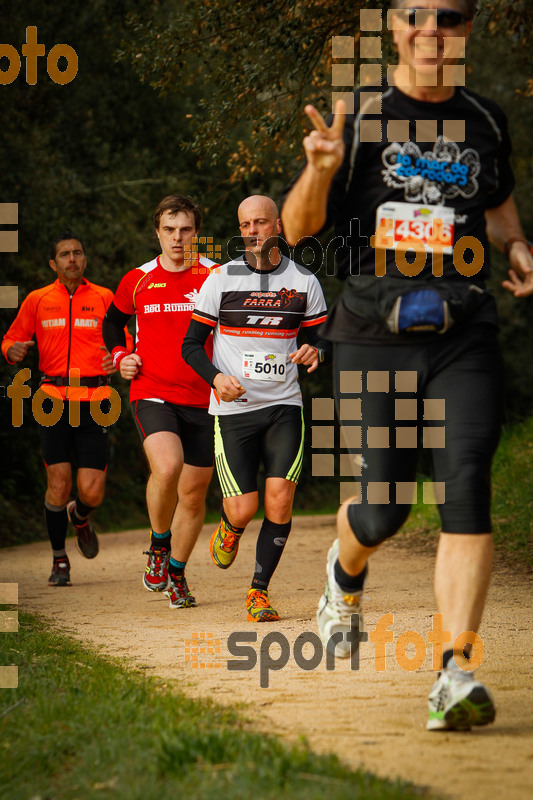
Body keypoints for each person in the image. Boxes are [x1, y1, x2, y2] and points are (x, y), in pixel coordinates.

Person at [281, 0, 533, 730]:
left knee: (465, 481)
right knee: (384, 506)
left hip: (462, 329)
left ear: (466, 28)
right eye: (414, 14)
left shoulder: (484, 121)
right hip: (371, 332)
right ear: (390, 26)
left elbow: (499, 208)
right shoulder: (355, 121)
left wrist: (515, 247)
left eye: (448, 15)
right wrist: (317, 172)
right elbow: (299, 229)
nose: (431, 28)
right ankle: (344, 568)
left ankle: (454, 670)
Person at [182, 195, 330, 621]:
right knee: (243, 509)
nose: (252, 231)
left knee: (280, 499)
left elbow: (323, 339)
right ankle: (230, 529)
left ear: (278, 226)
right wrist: (215, 378)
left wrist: (315, 352)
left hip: (284, 405)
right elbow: (190, 345)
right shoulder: (221, 279)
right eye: (245, 224)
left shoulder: (304, 281)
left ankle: (258, 591)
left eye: (260, 223)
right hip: (233, 410)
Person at [102, 195, 216, 609]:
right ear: (157, 233)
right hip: (152, 390)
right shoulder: (137, 279)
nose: (177, 238)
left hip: (206, 396)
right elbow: (113, 321)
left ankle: (179, 576)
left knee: (194, 493)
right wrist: (121, 357)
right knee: (167, 467)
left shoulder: (215, 277)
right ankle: (159, 544)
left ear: (196, 233)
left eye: (185, 229)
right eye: (169, 230)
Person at [2, 233, 133, 586]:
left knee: (91, 491)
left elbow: (125, 339)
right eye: (64, 254)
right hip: (52, 399)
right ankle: (60, 560)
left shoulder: (105, 298)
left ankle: (81, 516)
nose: (72, 259)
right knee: (58, 484)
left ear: (85, 260)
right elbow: (11, 338)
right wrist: (11, 351)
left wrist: (118, 356)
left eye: (77, 253)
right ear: (53, 264)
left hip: (96, 400)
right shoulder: (37, 299)